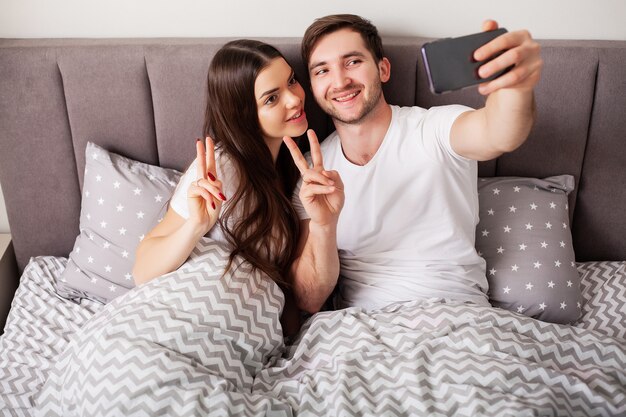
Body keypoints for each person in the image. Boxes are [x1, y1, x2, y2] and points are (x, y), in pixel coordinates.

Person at [283, 14, 543, 313]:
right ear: (313, 87)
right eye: (322, 70)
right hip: (362, 328)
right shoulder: (310, 173)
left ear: (383, 69)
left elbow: (499, 133)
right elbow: (307, 300)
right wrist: (324, 225)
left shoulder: (434, 128)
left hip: (458, 317)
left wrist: (517, 86)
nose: (340, 81)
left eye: (353, 62)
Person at [132, 39, 308, 334]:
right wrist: (195, 227)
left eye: (292, 80)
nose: (294, 99)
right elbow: (142, 272)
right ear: (244, 115)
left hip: (246, 329)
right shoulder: (223, 168)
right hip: (185, 319)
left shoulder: (295, 168)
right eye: (271, 98)